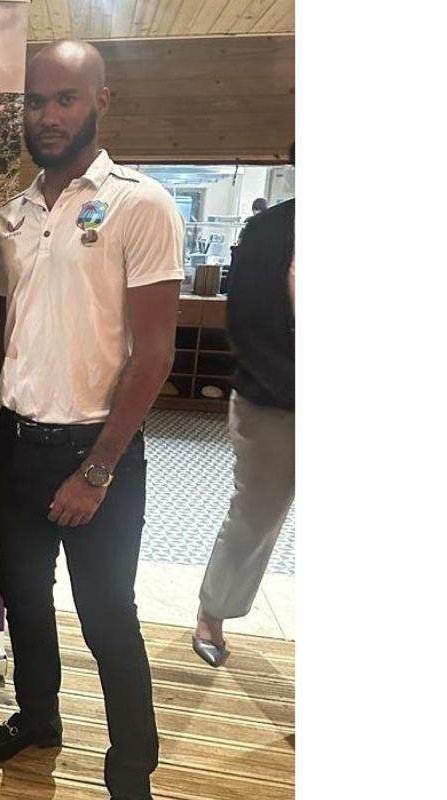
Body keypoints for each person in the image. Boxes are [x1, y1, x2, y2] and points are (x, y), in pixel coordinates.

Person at [0, 41, 183, 800]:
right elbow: (1, 336)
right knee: (23, 600)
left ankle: (131, 772)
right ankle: (38, 718)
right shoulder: (13, 214)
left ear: (100, 101)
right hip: (18, 446)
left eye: (65, 98)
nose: (48, 115)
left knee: (106, 617)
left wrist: (97, 470)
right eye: (35, 100)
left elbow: (153, 355)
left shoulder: (140, 204)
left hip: (101, 454)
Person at [192, 154, 295, 668]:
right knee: (257, 513)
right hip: (273, 403)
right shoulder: (268, 232)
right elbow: (247, 325)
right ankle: (214, 610)